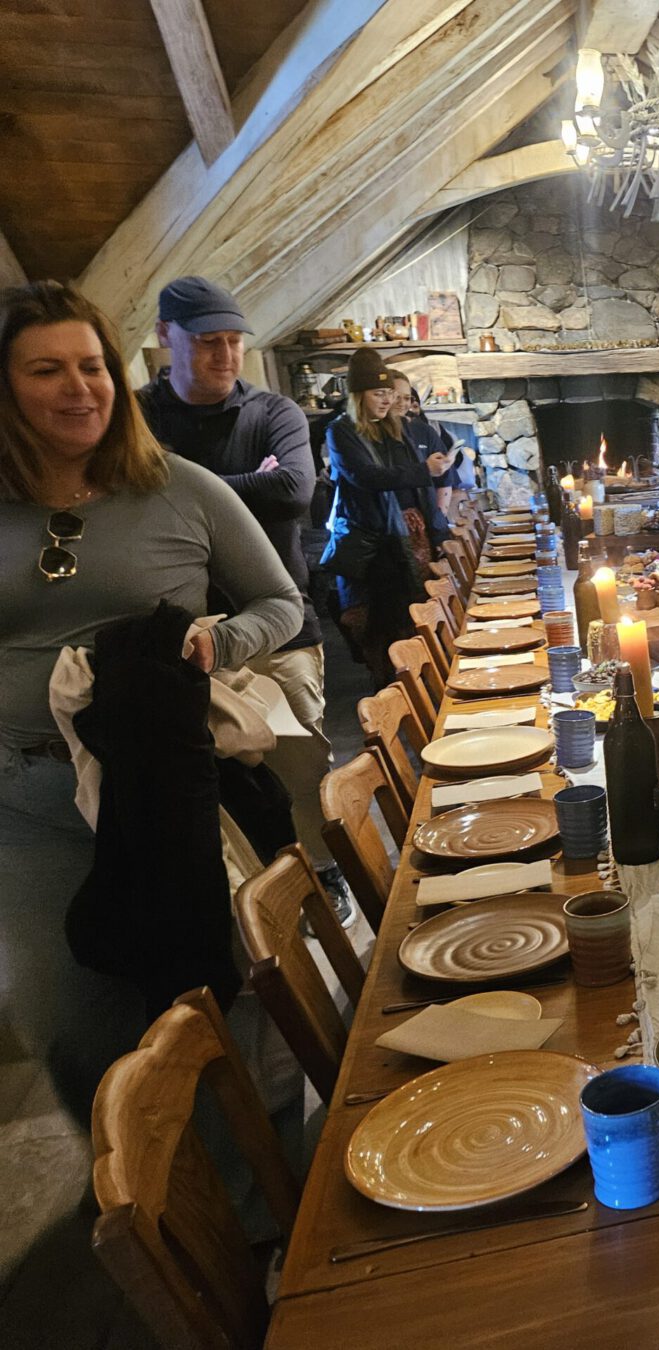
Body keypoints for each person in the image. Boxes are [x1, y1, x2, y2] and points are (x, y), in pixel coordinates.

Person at [0, 281, 303, 1117]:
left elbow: (280, 603)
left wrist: (218, 643)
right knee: (70, 1024)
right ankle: (144, 1186)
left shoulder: (181, 487)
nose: (80, 387)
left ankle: (254, 1181)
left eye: (92, 366)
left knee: (218, 996)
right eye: (46, 370)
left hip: (166, 787)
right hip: (27, 801)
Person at [138, 275, 355, 922]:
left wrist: (180, 486)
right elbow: (129, 498)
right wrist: (242, 484)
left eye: (234, 341)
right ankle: (260, 898)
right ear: (166, 336)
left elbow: (293, 492)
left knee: (303, 766)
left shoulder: (273, 413)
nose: (226, 355)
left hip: (280, 625)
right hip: (183, 637)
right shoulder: (136, 416)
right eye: (208, 341)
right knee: (213, 784)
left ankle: (323, 874)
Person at [321, 349, 448, 687]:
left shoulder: (397, 427)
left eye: (388, 393)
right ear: (358, 395)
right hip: (374, 544)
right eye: (379, 393)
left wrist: (437, 530)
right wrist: (423, 470)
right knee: (379, 625)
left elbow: (416, 486)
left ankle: (423, 688)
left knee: (415, 615)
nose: (387, 400)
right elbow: (366, 476)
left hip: (413, 536)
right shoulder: (341, 431)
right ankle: (392, 692)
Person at [389, 370, 454, 543]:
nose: (402, 403)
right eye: (397, 397)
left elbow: (445, 480)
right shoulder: (371, 437)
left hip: (427, 522)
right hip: (393, 528)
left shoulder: (424, 431)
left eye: (407, 398)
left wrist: (438, 519)